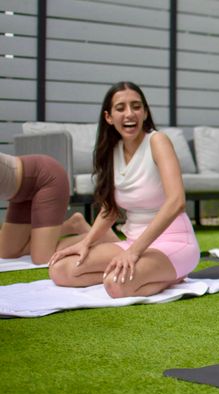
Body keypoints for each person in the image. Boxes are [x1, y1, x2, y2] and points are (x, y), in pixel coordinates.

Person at [48, 81, 200, 298]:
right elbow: (110, 209)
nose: (130, 114)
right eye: (121, 108)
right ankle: (142, 274)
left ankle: (172, 276)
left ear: (145, 113)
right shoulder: (112, 151)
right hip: (132, 242)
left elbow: (177, 201)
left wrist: (134, 252)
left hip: (174, 243)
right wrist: (86, 242)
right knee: (61, 271)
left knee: (116, 285)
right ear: (109, 117)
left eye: (136, 106)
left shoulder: (158, 141)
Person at [0, 152, 90, 264]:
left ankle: (95, 237)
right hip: (21, 193)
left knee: (42, 257)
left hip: (46, 178)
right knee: (7, 252)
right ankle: (72, 225)